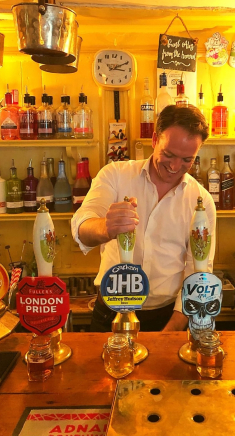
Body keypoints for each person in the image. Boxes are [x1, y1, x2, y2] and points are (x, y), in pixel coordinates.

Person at [71, 104, 216, 332]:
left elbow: (198, 271)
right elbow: (81, 227)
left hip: (167, 317)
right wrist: (105, 228)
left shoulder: (202, 201)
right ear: (155, 139)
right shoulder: (115, 175)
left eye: (187, 160)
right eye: (168, 154)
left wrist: (171, 330)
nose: (175, 166)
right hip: (111, 311)